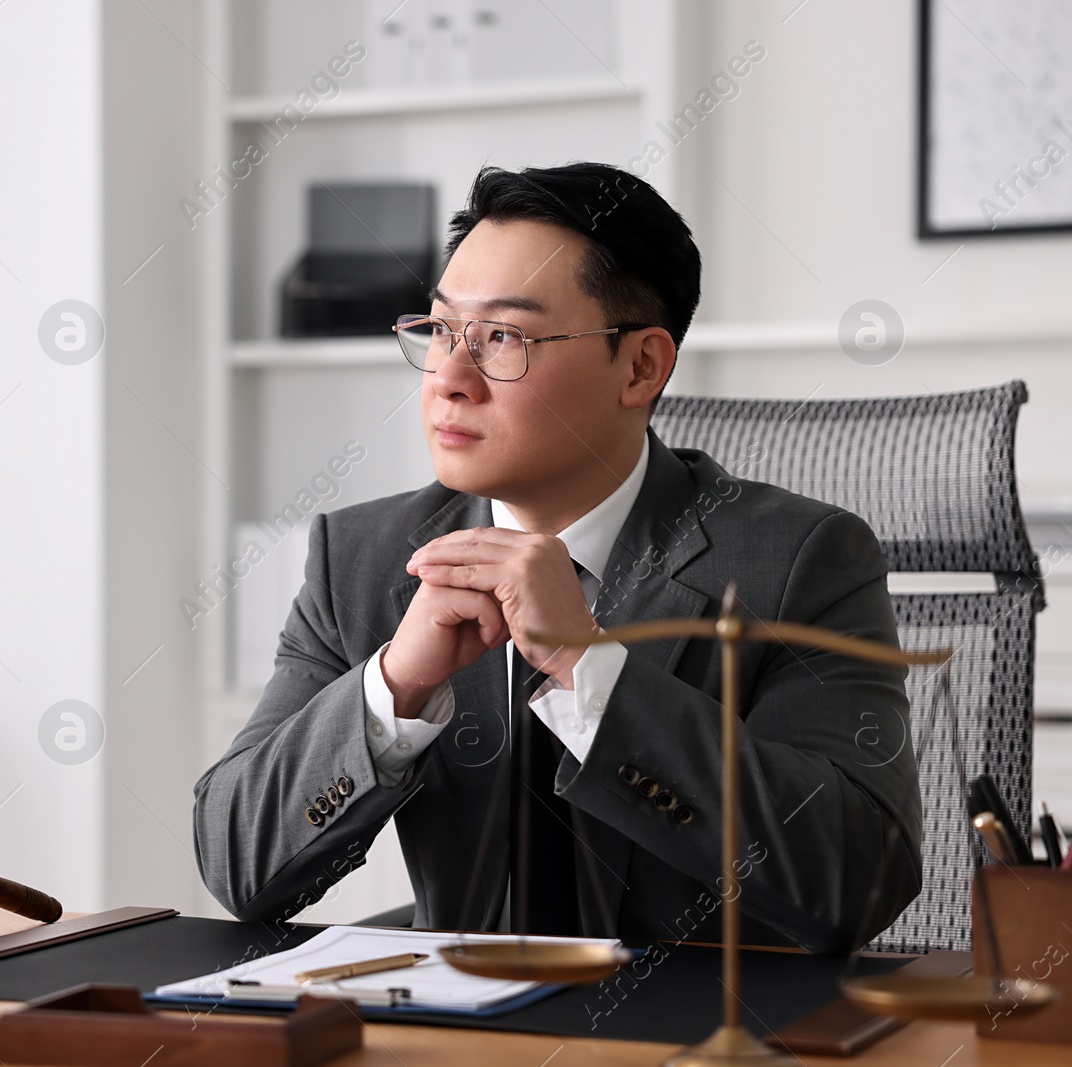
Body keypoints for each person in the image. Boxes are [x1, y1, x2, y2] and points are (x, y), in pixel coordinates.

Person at [191, 162, 921, 953]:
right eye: (440, 330)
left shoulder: (800, 560)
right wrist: (394, 686)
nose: (450, 379)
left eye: (502, 336)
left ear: (641, 366)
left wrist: (592, 672)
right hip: (452, 1036)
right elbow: (240, 864)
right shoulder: (362, 559)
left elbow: (858, 880)